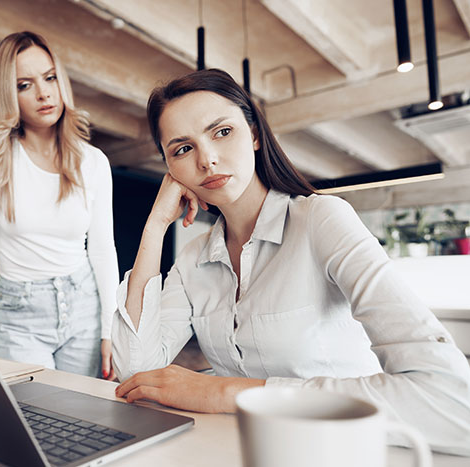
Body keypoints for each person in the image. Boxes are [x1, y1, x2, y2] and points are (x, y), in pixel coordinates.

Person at [111, 68, 470, 454]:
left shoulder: (322, 220)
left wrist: (224, 391)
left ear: (253, 134)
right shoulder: (194, 257)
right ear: (170, 168)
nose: (207, 160)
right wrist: (155, 226)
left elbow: (454, 402)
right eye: (183, 149)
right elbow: (136, 371)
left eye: (222, 132)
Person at [0, 31, 118, 379]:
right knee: (31, 420)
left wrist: (110, 329)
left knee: (77, 423)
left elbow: (102, 249)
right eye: (24, 85)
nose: (43, 93)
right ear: (8, 94)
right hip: (20, 314)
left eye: (50, 77)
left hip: (84, 305)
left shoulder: (94, 161)